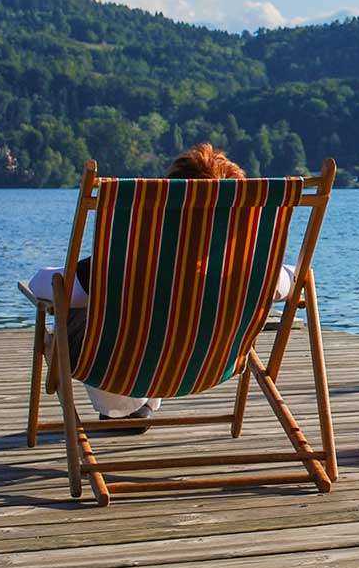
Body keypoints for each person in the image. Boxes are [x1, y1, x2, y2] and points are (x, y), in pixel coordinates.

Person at [27, 143, 293, 430]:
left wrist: (55, 279)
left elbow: (42, 286)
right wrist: (290, 272)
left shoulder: (125, 261)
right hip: (207, 366)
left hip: (115, 367)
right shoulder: (247, 268)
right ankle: (130, 407)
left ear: (169, 203)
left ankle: (124, 407)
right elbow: (287, 284)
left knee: (81, 309)